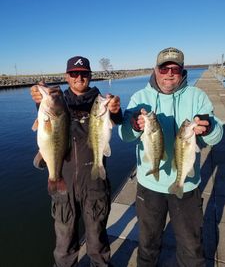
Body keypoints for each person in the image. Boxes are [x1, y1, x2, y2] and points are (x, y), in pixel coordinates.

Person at [118, 47, 224, 267]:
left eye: (174, 68)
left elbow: (217, 135)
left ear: (182, 71)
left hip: (186, 186)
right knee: (147, 245)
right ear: (155, 70)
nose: (169, 73)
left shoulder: (197, 96)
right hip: (149, 186)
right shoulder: (140, 97)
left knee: (191, 249)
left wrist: (210, 127)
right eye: (164, 68)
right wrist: (134, 126)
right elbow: (124, 135)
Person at [31, 56, 122, 267]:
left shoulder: (101, 103)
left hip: (94, 184)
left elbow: (116, 118)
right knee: (64, 247)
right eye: (74, 74)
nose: (79, 77)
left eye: (83, 73)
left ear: (90, 76)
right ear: (67, 77)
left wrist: (116, 111)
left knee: (97, 244)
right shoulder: (58, 101)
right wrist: (39, 98)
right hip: (64, 182)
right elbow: (49, 120)